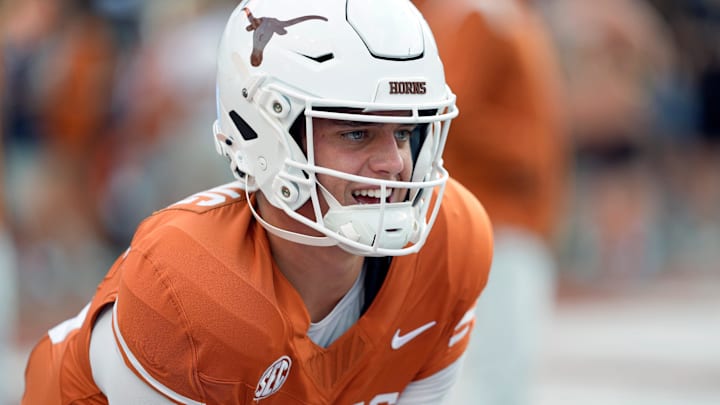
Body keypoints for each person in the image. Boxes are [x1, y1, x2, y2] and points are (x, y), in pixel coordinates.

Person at [22, 0, 493, 404]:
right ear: (265, 134)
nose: (393, 163)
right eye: (356, 132)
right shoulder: (191, 282)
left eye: (406, 132)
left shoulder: (449, 240)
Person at [413, 0, 568, 403]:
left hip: (508, 216)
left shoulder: (493, 14)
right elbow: (451, 109)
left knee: (503, 370)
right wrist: (531, 151)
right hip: (496, 219)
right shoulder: (480, 16)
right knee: (497, 374)